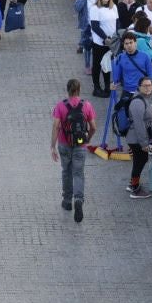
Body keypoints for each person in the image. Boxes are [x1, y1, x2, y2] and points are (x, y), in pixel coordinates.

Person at [52, 78, 96, 223]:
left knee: (66, 171)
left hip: (64, 144)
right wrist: (88, 138)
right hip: (80, 145)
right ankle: (78, 199)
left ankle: (67, 200)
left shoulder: (60, 106)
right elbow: (93, 127)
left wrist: (53, 146)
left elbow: (56, 126)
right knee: (78, 173)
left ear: (67, 89)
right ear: (79, 89)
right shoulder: (87, 105)